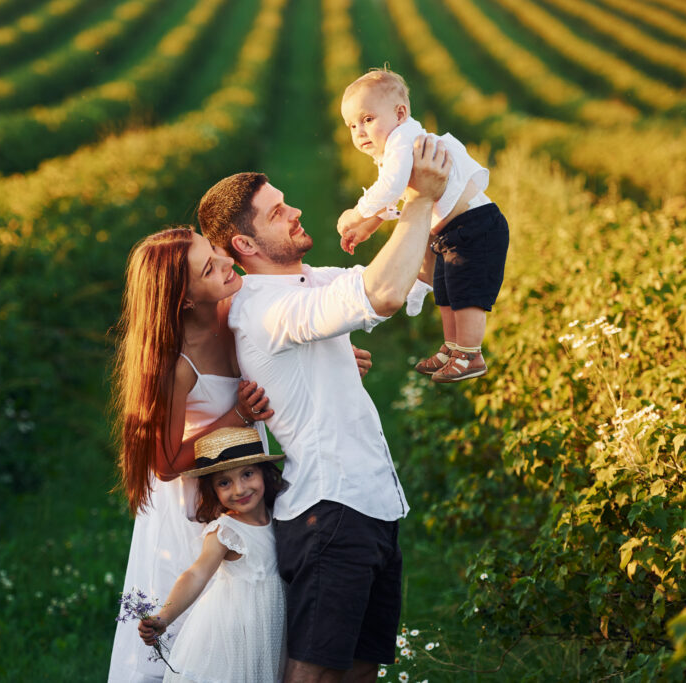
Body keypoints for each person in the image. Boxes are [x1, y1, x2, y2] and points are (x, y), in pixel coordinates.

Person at [196, 135, 449, 683]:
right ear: (244, 242)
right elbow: (379, 295)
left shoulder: (310, 282)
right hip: (330, 512)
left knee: (361, 670)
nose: (296, 212)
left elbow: (416, 277)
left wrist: (418, 199)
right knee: (313, 674)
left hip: (373, 504)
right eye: (278, 211)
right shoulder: (265, 308)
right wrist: (419, 203)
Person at [107, 227, 371, 682]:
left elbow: (274, 344)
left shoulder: (234, 306)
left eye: (214, 250)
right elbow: (166, 463)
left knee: (257, 606)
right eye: (209, 268)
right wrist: (237, 415)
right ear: (184, 300)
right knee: (208, 622)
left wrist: (330, 356)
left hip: (243, 474)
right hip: (200, 496)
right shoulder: (175, 359)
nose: (227, 263)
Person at [337, 68, 510, 383]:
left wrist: (357, 213)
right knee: (446, 290)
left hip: (475, 225)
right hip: (451, 233)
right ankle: (452, 348)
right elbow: (401, 197)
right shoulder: (396, 146)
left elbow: (391, 188)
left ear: (400, 113)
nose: (359, 132)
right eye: (351, 125)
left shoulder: (404, 139)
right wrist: (369, 227)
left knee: (466, 291)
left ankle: (470, 354)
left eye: (367, 120)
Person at [138, 427, 287, 683]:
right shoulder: (226, 531)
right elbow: (196, 574)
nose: (239, 489)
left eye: (247, 474)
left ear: (263, 473)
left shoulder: (281, 516)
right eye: (224, 482)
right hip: (232, 636)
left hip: (270, 630)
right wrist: (164, 616)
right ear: (213, 490)